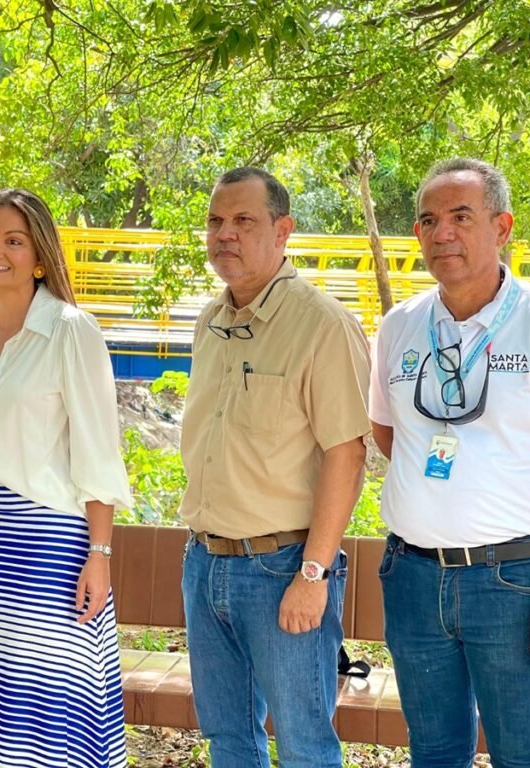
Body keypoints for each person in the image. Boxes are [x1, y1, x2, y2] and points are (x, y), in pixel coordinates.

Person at [0, 188, 132, 768]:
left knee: (48, 716)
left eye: (14, 241)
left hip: (50, 550)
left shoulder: (72, 330)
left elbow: (98, 453)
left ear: (39, 255)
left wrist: (101, 554)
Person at [178, 167, 371, 768]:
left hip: (284, 568)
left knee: (305, 743)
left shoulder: (321, 325)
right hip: (206, 563)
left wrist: (312, 575)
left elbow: (348, 451)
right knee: (229, 737)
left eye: (243, 221)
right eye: (215, 221)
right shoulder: (210, 323)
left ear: (283, 230)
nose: (224, 235)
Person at [370, 158, 530, 767]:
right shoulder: (400, 326)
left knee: (525, 752)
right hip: (414, 578)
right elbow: (388, 433)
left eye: (461, 216)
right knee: (434, 751)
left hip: (514, 582)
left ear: (502, 227)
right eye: (428, 220)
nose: (441, 232)